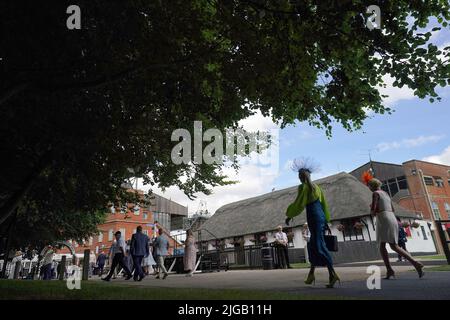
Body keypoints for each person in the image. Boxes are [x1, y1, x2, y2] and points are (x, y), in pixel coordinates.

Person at [285, 158, 340, 288]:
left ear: (300, 177)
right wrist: (326, 220)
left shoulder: (303, 187)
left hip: (313, 217)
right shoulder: (317, 188)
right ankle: (311, 274)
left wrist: (289, 215)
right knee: (313, 246)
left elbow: (299, 203)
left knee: (319, 245)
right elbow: (323, 204)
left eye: (299, 176)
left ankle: (333, 274)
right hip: (319, 217)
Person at [368, 178, 424, 279]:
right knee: (393, 245)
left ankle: (411, 264)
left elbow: (373, 211)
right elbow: (392, 209)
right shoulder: (386, 194)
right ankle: (393, 269)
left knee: (384, 245)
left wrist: (371, 207)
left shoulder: (375, 193)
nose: (369, 188)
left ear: (372, 186)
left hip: (383, 218)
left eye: (369, 186)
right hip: (391, 217)